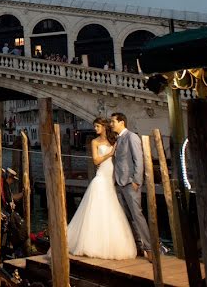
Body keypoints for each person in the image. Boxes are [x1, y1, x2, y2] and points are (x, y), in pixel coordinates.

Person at [64, 118, 137, 260]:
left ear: (104, 127)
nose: (95, 129)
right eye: (95, 126)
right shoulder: (95, 142)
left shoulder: (115, 139)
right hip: (102, 176)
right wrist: (110, 153)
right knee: (99, 208)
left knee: (112, 209)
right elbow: (96, 160)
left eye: (97, 126)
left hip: (113, 177)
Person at [111, 112, 152, 261]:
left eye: (113, 122)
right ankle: (138, 246)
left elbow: (138, 159)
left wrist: (136, 180)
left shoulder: (131, 137)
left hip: (129, 183)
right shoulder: (119, 138)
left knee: (137, 215)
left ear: (122, 122)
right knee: (128, 217)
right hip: (120, 183)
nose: (111, 124)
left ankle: (149, 248)